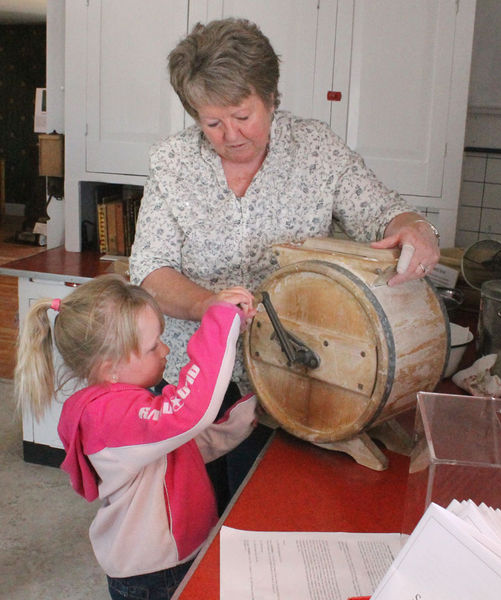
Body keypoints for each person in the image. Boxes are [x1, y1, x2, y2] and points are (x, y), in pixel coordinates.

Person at [129, 18, 440, 499]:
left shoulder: (316, 149)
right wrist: (209, 307)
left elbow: (382, 211)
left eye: (242, 115)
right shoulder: (172, 162)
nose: (230, 134)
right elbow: (150, 269)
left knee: (266, 507)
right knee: (189, 512)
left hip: (296, 376)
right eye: (212, 122)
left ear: (271, 97)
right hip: (190, 378)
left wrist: (411, 225)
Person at [14, 273, 257, 600]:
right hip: (153, 574)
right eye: (153, 345)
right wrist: (219, 322)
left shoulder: (127, 404)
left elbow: (187, 447)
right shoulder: (108, 418)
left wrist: (256, 411)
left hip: (176, 556)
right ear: (110, 368)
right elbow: (188, 413)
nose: (165, 349)